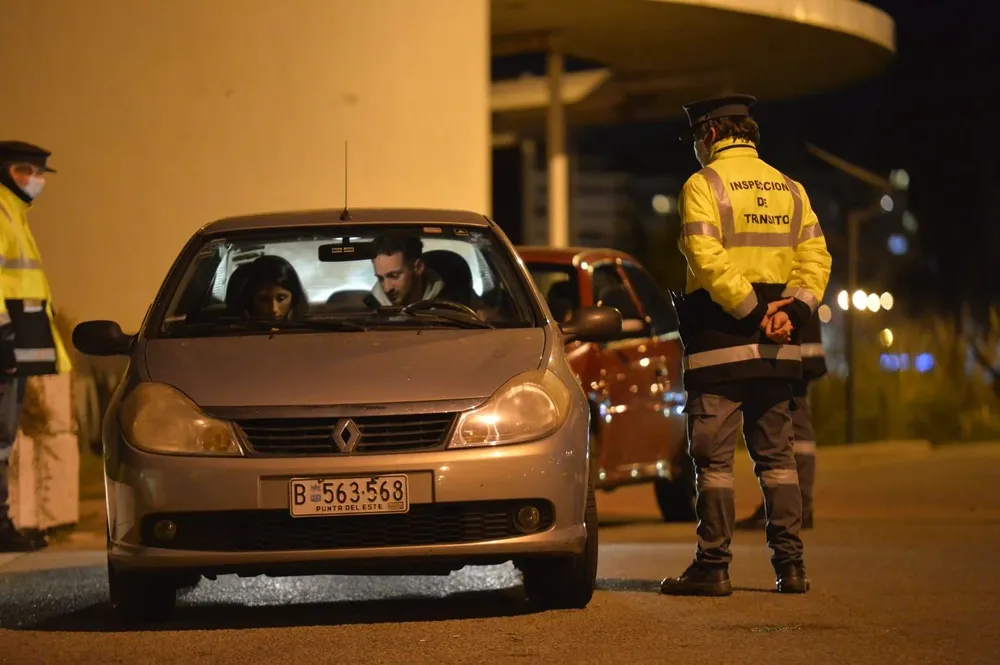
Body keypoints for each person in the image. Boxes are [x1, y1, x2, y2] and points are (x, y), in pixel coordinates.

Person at [659, 95, 832, 597]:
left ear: (710, 134)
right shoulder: (791, 189)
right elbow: (816, 259)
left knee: (714, 465)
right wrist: (790, 314)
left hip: (719, 349)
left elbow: (706, 258)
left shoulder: (703, 184)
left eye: (696, 138)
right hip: (778, 352)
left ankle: (713, 566)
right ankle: (791, 567)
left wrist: (754, 313)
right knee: (778, 461)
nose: (696, 147)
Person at [0, 141, 73, 552]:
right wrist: (5, 340)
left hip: (16, 348)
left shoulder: (14, 214)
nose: (35, 180)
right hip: (6, 348)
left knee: (4, 440)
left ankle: (4, 522)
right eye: (26, 170)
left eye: (40, 172)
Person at [736, 309, 826, 531]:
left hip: (785, 344)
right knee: (797, 428)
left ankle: (787, 509)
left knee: (781, 429)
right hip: (800, 344)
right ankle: (797, 506)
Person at [370, 233, 444, 307]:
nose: (387, 288)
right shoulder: (370, 308)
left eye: (394, 276)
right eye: (380, 278)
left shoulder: (447, 301)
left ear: (418, 267)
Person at [240, 255, 308, 322]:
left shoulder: (308, 327)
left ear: (294, 298)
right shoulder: (239, 328)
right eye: (264, 300)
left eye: (281, 298)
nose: (274, 309)